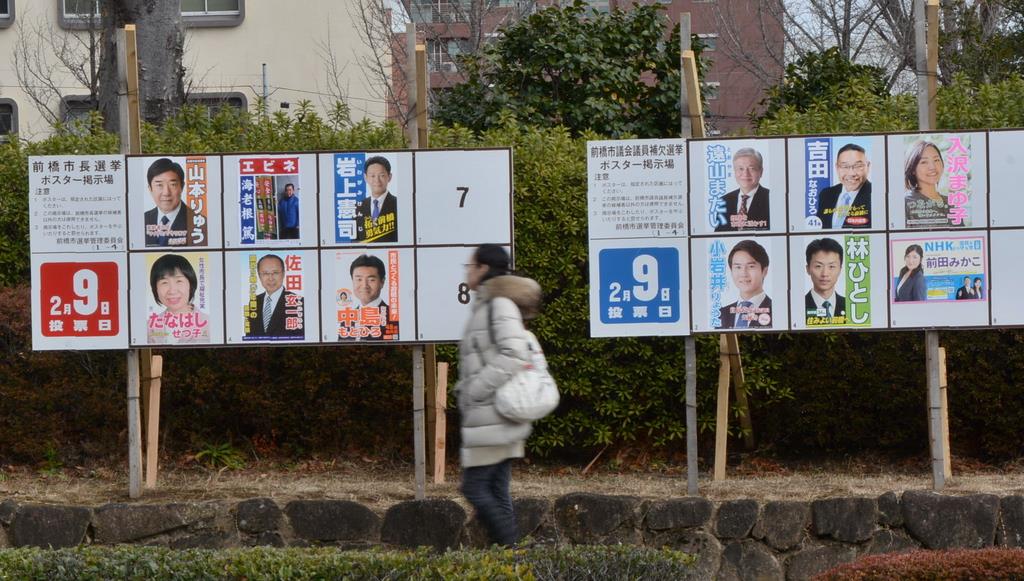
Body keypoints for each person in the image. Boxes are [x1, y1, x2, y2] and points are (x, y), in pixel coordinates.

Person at [457, 244, 541, 546]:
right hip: (491, 418)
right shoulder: (488, 303)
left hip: (493, 416)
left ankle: (513, 553)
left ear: (483, 269)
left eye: (470, 265)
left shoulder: (498, 305)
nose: (467, 271)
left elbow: (514, 353)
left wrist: (475, 389)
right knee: (495, 490)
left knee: (474, 488)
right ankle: (510, 561)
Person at [146, 254, 209, 344]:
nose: (172, 290)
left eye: (179, 281)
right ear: (155, 288)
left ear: (191, 284)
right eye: (164, 282)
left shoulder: (209, 325)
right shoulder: (149, 327)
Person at [144, 158, 205, 247]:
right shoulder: (142, 220)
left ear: (182, 187)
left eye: (173, 185)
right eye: (159, 185)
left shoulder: (199, 222)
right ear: (150, 189)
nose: (166, 193)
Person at [338, 254, 397, 340]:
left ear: (382, 282)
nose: (364, 285)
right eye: (359, 279)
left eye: (371, 280)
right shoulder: (346, 321)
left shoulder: (394, 318)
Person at [246, 254, 304, 339]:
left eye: (275, 273)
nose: (270, 278)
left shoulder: (298, 302)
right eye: (265, 273)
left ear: (283, 273)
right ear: (259, 276)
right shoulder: (254, 302)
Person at [718, 239, 772, 328]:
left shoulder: (777, 311)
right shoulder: (721, 314)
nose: (743, 273)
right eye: (738, 267)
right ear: (731, 271)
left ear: (764, 271)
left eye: (751, 266)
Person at [715, 148, 770, 232]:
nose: (745, 174)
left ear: (761, 172)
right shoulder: (724, 200)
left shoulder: (771, 198)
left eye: (751, 168)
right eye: (740, 169)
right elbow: (719, 234)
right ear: (734, 171)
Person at [904, 141, 956, 228]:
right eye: (924, 162)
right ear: (912, 169)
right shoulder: (905, 202)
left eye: (936, 160)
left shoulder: (950, 203)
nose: (932, 167)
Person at [818, 144, 872, 229]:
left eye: (858, 166)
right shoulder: (826, 194)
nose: (851, 173)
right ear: (837, 167)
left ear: (868, 166)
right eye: (845, 166)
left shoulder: (876, 195)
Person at [356, 156, 398, 242]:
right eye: (372, 176)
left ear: (389, 177)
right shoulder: (358, 207)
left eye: (381, 175)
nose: (377, 180)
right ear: (365, 177)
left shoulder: (399, 205)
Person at [804, 238, 846, 324]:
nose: (825, 274)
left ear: (840, 269)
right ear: (808, 269)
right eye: (818, 266)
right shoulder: (798, 306)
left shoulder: (850, 305)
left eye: (831, 266)